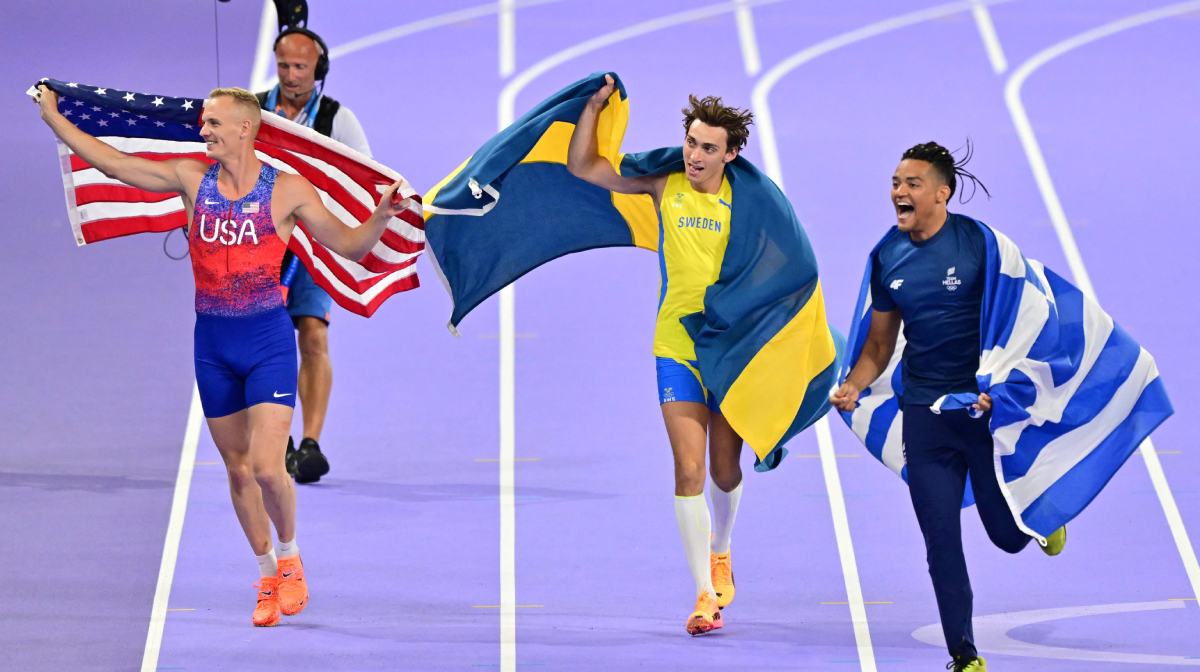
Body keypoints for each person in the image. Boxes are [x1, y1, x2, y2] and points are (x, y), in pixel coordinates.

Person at [34, 84, 406, 627]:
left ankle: (290, 557)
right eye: (204, 123)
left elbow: (349, 245)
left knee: (267, 468)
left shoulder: (289, 192)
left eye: (212, 124)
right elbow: (115, 164)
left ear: (245, 130)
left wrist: (380, 216)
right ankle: (263, 575)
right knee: (236, 472)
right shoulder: (190, 178)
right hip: (212, 346)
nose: (202, 130)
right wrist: (53, 120)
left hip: (267, 344)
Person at [830, 142, 1066, 671]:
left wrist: (999, 386)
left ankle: (1042, 516)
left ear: (943, 193)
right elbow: (878, 346)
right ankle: (965, 655)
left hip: (983, 415)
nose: (899, 192)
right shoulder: (888, 256)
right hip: (926, 417)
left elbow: (1020, 317)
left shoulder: (980, 247)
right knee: (941, 541)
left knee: (1006, 537)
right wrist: (854, 384)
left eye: (912, 184)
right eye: (895, 182)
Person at [566, 75, 753, 636]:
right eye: (692, 143)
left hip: (732, 348)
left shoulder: (749, 200)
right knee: (689, 468)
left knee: (724, 467)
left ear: (732, 154)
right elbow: (584, 167)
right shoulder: (663, 182)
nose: (696, 156)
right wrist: (593, 109)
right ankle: (703, 594)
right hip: (676, 346)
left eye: (708, 148)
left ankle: (721, 549)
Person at [258, 26, 372, 484]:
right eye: (284, 66)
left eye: (300, 67)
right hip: (260, 242)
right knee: (266, 342)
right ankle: (275, 438)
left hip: (310, 246)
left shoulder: (337, 120)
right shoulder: (253, 111)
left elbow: (366, 178)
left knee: (312, 335)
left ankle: (310, 444)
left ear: (318, 69)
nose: (290, 75)